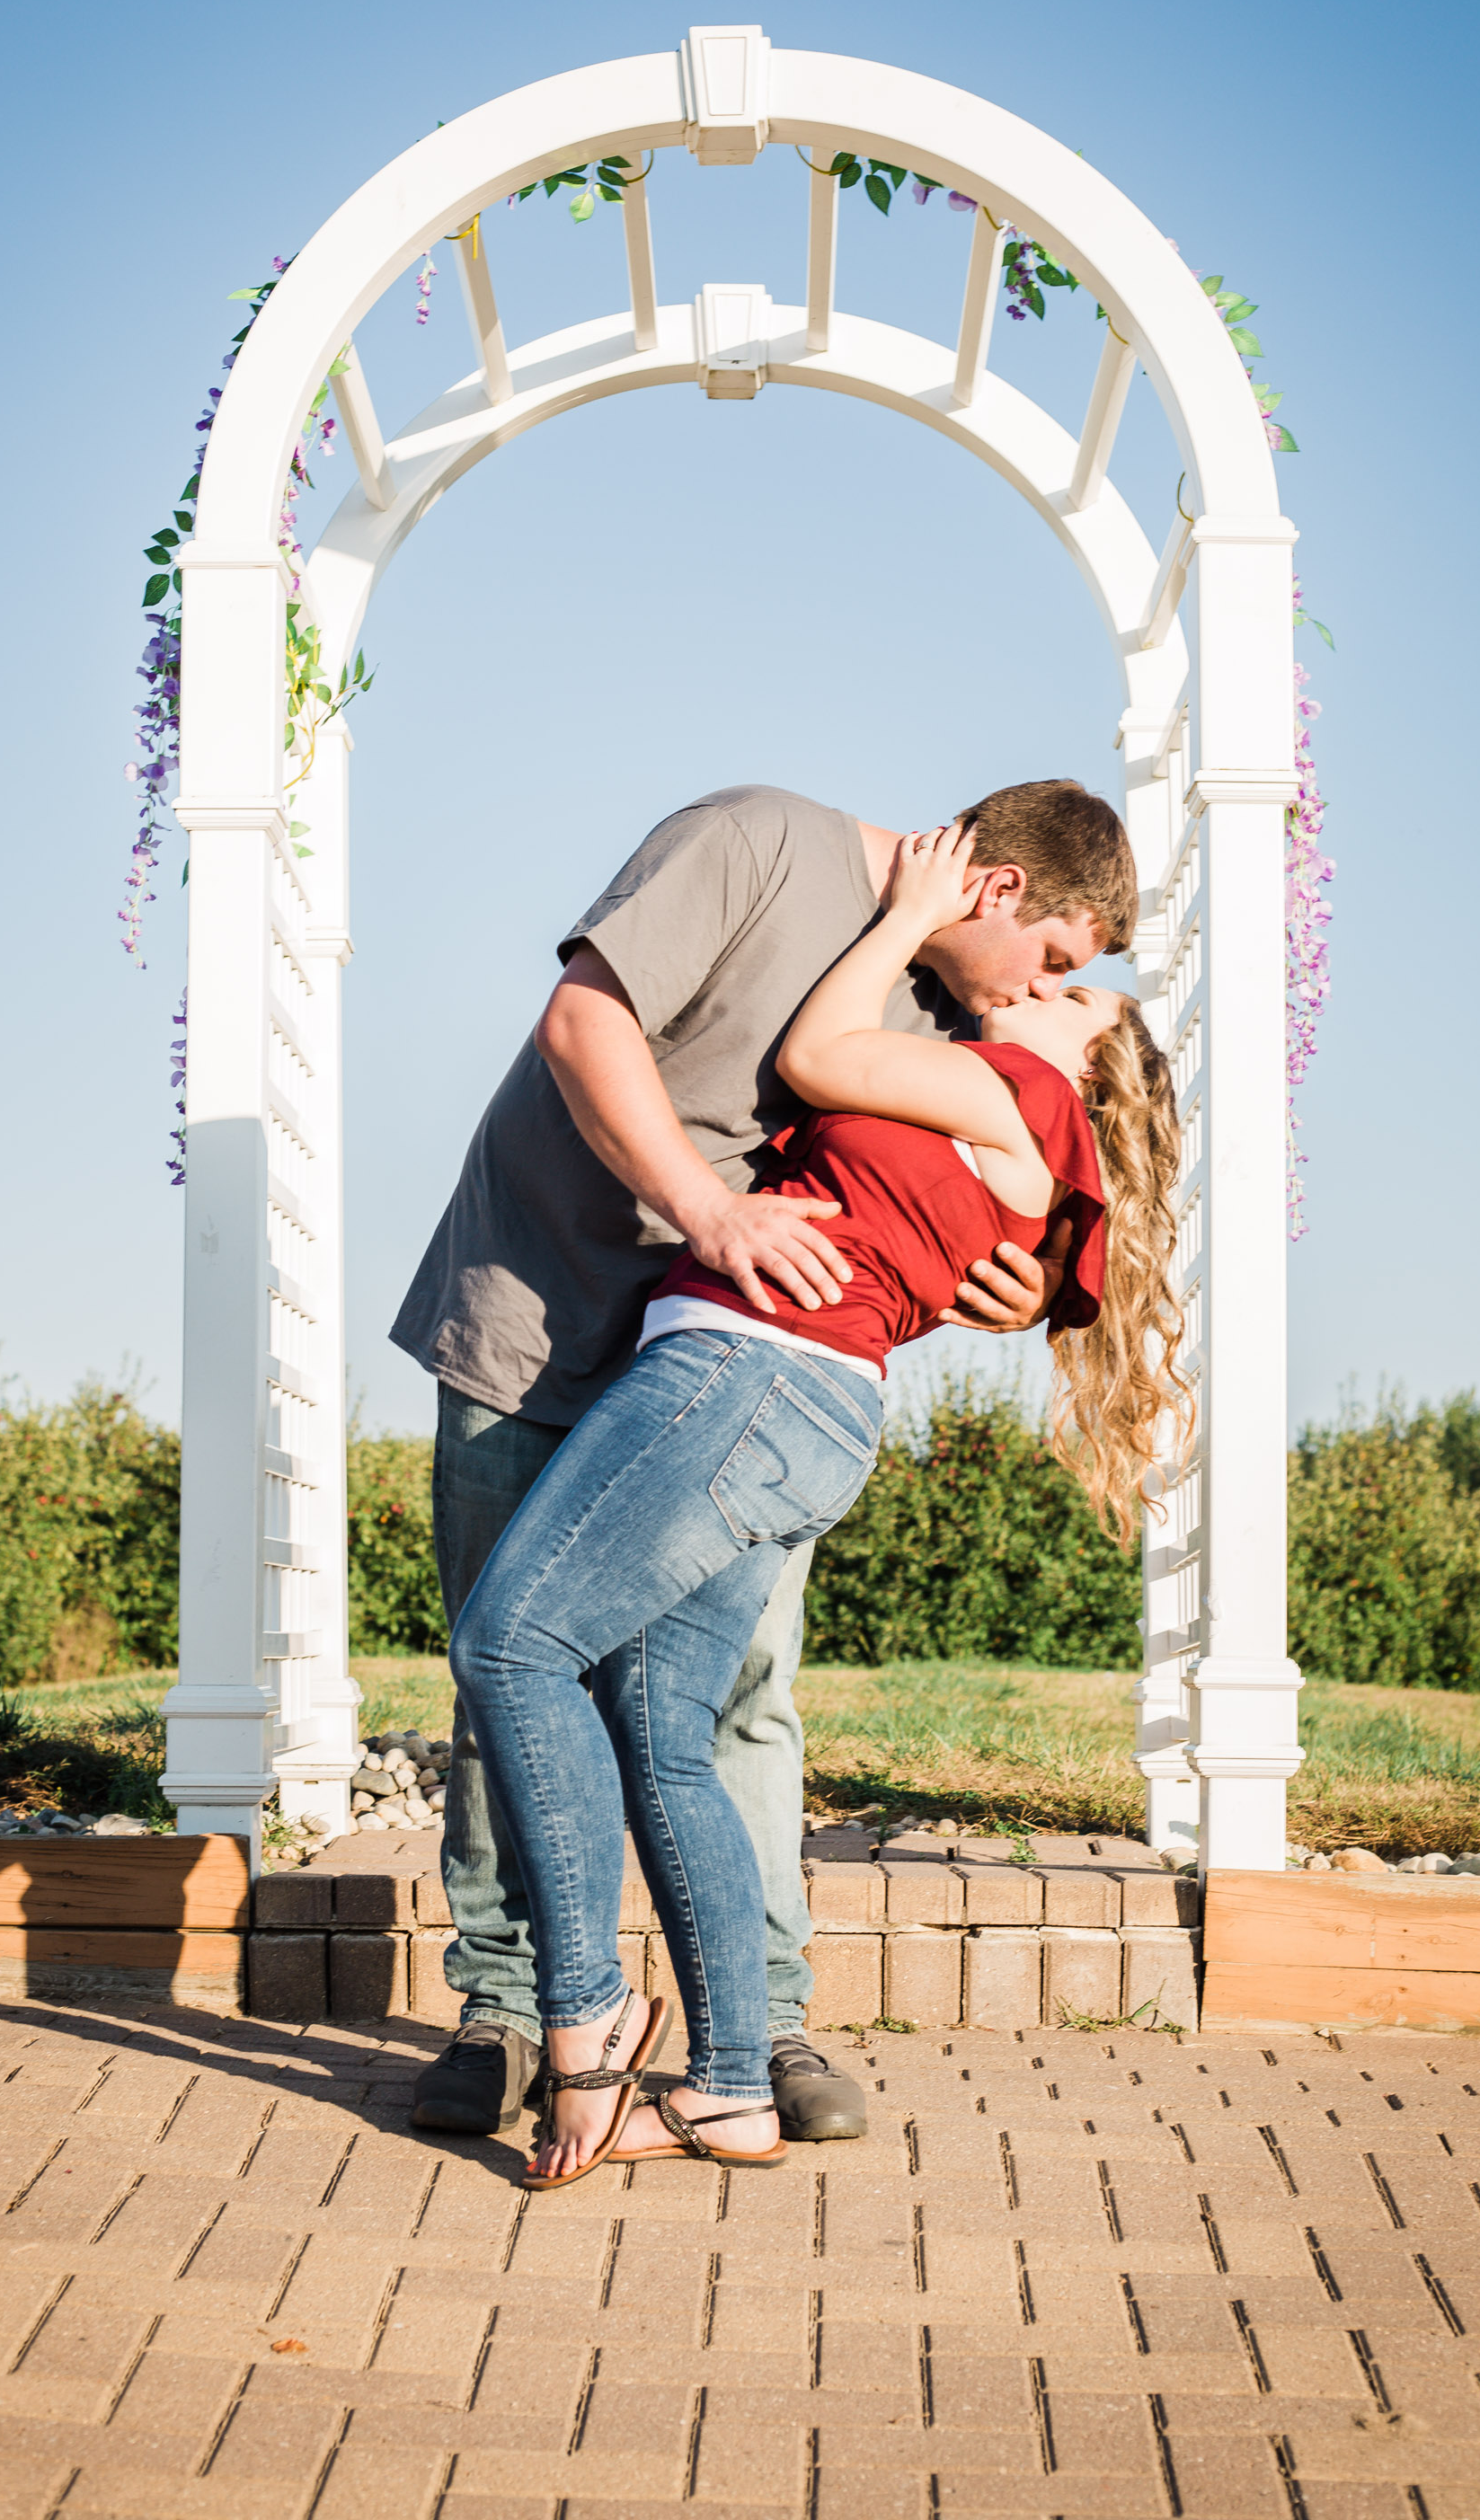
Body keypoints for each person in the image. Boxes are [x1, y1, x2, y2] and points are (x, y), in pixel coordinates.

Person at [394, 779, 1138, 2142]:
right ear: (1005, 892)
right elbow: (583, 1021)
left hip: (730, 1364)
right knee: (504, 1665)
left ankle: (757, 2027)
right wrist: (707, 1209)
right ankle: (504, 2009)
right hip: (541, 1307)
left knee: (738, 1693)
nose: (1043, 991)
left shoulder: (936, 1003)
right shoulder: (753, 843)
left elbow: (966, 1190)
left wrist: (1022, 1286)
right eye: (1060, 963)